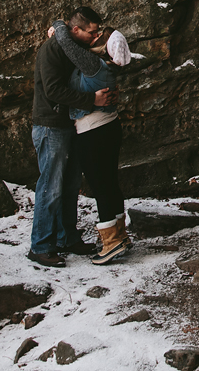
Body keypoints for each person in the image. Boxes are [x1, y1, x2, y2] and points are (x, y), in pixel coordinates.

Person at [28, 5, 111, 267]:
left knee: (70, 184)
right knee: (50, 186)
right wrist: (91, 100)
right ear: (75, 30)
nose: (95, 37)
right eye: (91, 32)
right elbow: (52, 90)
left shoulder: (75, 49)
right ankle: (41, 245)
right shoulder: (52, 49)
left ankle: (67, 238)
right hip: (50, 125)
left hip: (69, 124)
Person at [53, 20, 134, 264]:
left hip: (93, 130)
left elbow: (67, 44)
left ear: (106, 49)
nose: (96, 37)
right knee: (110, 182)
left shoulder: (93, 65)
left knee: (100, 186)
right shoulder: (108, 67)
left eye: (101, 37)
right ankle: (120, 236)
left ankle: (110, 243)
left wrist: (58, 25)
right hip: (110, 126)